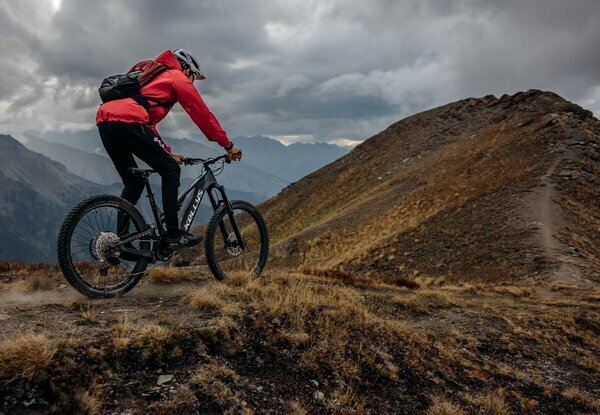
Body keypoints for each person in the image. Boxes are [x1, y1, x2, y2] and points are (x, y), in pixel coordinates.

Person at [96, 49, 241, 250]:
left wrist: (167, 152)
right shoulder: (176, 77)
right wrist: (227, 145)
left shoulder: (153, 76)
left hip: (105, 121)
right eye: (194, 77)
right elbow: (201, 113)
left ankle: (121, 241)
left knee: (133, 182)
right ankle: (173, 235)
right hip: (129, 121)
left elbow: (149, 125)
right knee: (171, 170)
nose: (193, 82)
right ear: (187, 69)